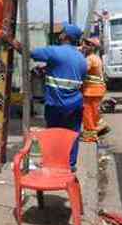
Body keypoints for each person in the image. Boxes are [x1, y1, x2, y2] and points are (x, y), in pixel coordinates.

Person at [30, 23, 87, 170]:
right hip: (75, 104)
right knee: (72, 135)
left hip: (56, 104)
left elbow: (30, 52)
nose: (59, 34)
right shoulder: (81, 58)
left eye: (62, 32)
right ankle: (70, 165)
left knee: (53, 135)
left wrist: (12, 42)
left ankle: (52, 162)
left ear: (66, 36)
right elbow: (73, 78)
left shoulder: (55, 52)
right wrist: (48, 70)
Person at [80, 37, 107, 142]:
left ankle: (90, 135)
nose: (84, 45)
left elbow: (82, 70)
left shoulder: (90, 59)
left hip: (92, 90)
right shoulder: (96, 57)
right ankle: (100, 127)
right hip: (96, 89)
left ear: (92, 47)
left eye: (87, 44)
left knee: (87, 113)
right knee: (93, 111)